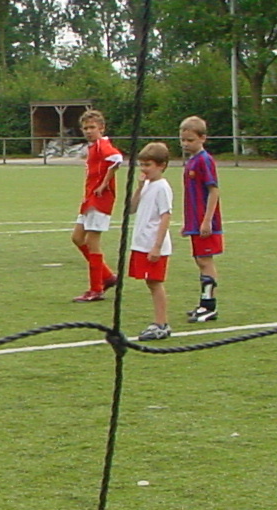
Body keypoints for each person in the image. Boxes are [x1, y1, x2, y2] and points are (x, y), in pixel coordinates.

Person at [70, 109, 123, 302]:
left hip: (100, 200)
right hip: (89, 199)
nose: (88, 131)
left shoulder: (102, 145)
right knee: (77, 238)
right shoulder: (93, 147)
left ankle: (96, 289)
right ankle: (107, 276)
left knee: (92, 242)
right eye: (85, 128)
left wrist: (104, 184)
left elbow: (117, 159)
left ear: (101, 128)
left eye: (92, 127)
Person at [127, 141, 174, 340]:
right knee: (149, 282)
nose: (144, 169)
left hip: (153, 244)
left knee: (155, 283)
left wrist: (156, 246)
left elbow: (166, 216)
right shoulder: (147, 185)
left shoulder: (162, 187)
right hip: (141, 242)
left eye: (148, 165)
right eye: (142, 165)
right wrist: (138, 188)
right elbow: (131, 208)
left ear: (161, 165)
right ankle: (159, 322)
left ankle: (161, 323)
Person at [179, 115, 223, 323]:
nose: (186, 144)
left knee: (206, 260)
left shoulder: (205, 160)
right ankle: (204, 303)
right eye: (183, 140)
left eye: (190, 140)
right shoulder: (191, 161)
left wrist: (207, 220)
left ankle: (210, 305)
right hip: (195, 222)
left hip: (206, 222)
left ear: (202, 138)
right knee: (200, 260)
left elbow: (213, 191)